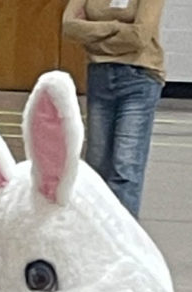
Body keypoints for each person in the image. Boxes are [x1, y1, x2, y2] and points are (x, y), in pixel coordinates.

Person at [62, 0, 166, 218]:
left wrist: (94, 38)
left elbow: (139, 37)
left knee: (125, 167)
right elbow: (69, 26)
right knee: (96, 165)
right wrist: (116, 28)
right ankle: (95, 229)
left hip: (139, 78)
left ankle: (121, 234)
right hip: (99, 77)